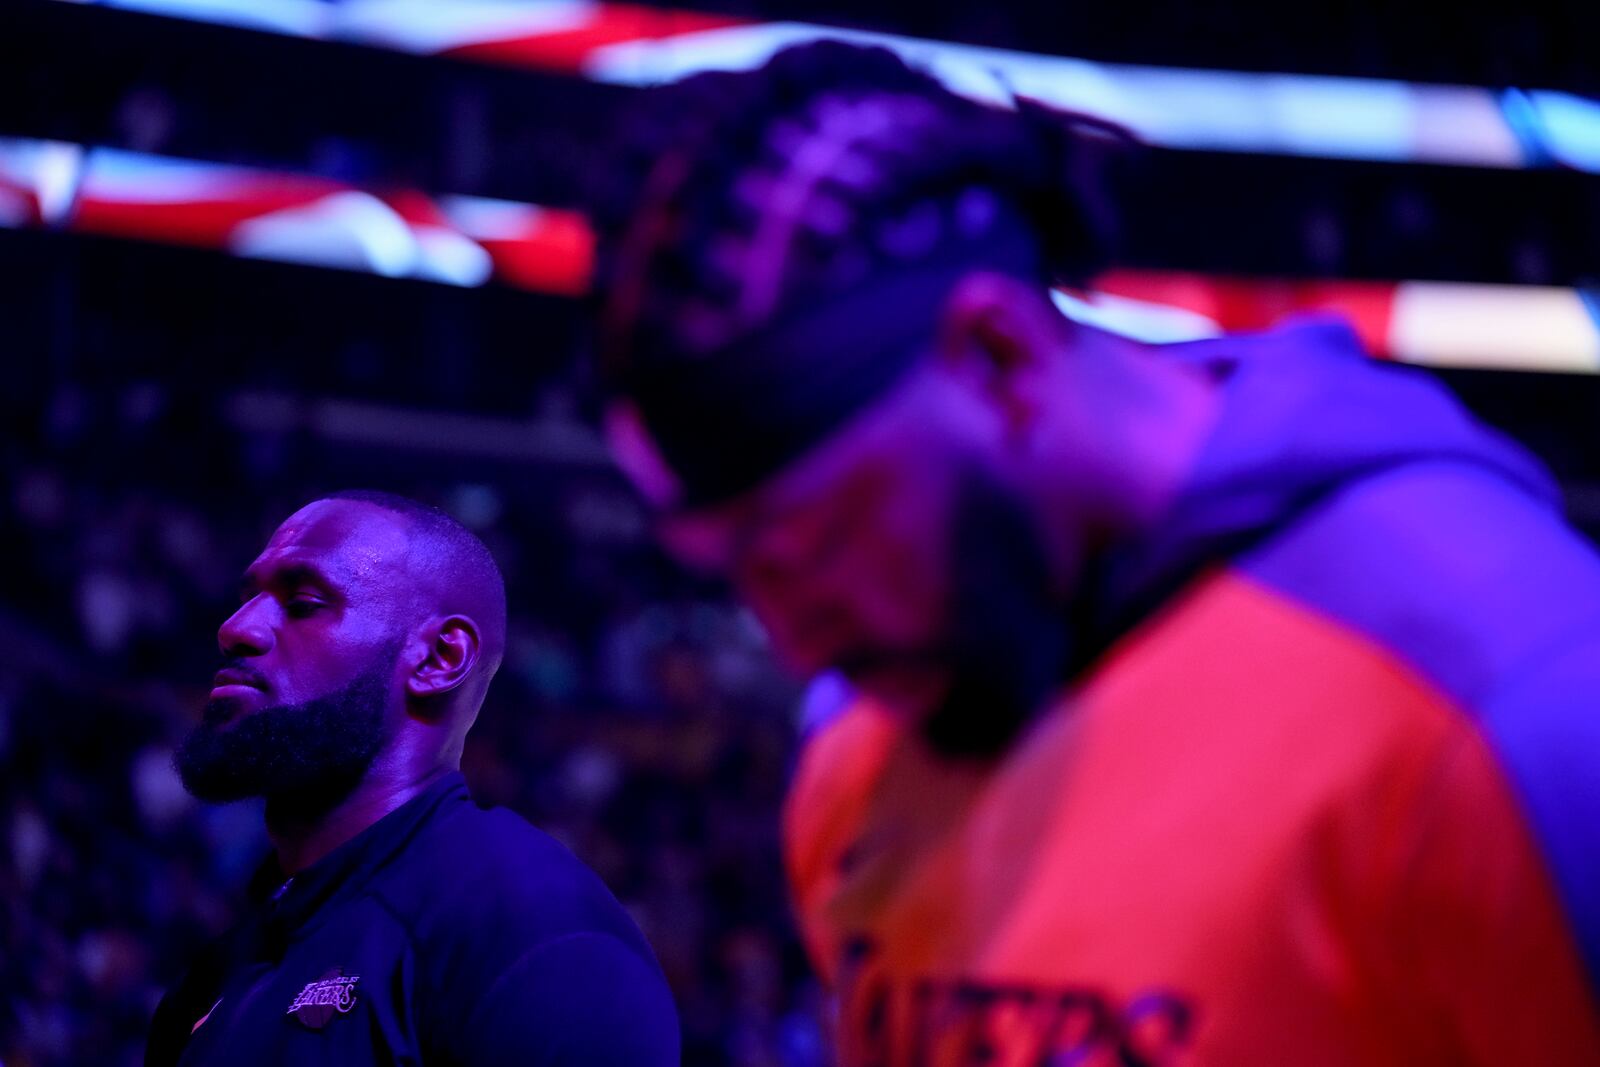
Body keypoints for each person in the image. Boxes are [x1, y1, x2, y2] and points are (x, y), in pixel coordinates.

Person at [588, 40, 1600, 1065]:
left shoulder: (1504, 685)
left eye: (818, 536)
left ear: (1000, 357)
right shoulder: (865, 730)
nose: (796, 641)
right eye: (737, 567)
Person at [146, 490, 679, 1066]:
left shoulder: (532, 927)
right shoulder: (223, 968)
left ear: (438, 659)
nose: (236, 628)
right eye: (247, 598)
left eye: (302, 602)